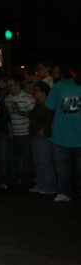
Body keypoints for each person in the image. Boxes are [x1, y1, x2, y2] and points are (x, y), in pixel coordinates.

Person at [44, 70, 81, 202]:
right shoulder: (61, 86)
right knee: (62, 169)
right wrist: (47, 126)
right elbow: (49, 107)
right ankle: (64, 192)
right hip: (61, 135)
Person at [4, 74, 36, 188]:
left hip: (25, 133)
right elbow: (7, 117)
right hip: (14, 133)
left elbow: (33, 115)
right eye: (8, 86)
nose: (9, 88)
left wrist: (21, 112)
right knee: (13, 158)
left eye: (11, 86)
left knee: (27, 158)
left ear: (18, 85)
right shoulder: (8, 99)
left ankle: (26, 180)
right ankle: (14, 179)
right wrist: (10, 131)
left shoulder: (28, 99)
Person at [28, 82, 56, 194]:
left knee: (45, 162)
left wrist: (44, 129)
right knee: (38, 161)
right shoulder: (38, 104)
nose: (35, 92)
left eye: (37, 90)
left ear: (44, 92)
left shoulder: (48, 106)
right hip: (35, 136)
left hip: (43, 137)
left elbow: (51, 119)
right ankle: (40, 183)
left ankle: (49, 186)